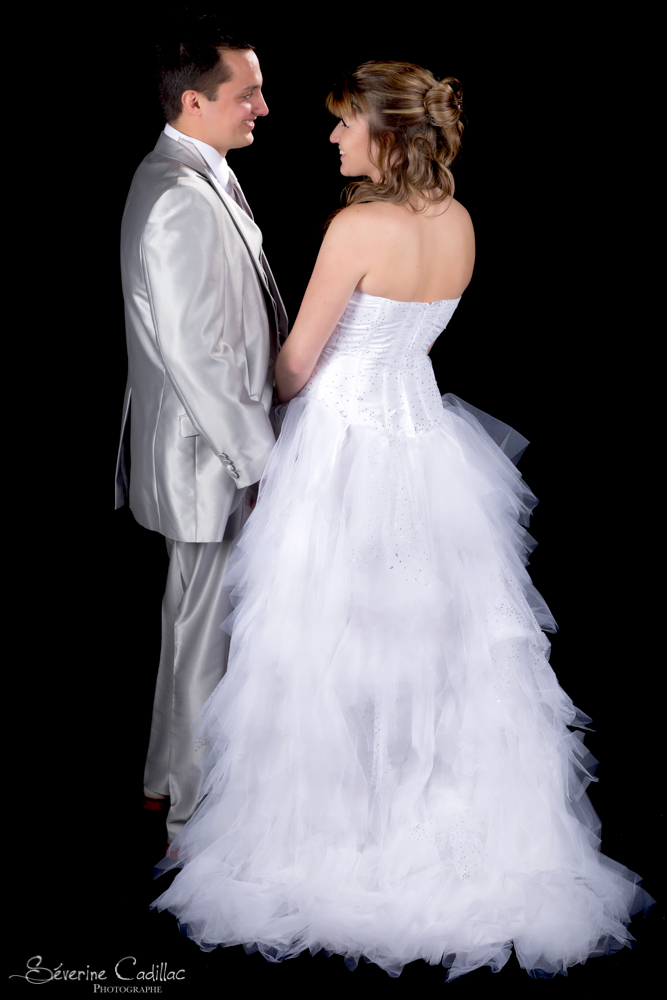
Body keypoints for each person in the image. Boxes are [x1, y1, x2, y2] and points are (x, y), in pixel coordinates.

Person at [151, 61, 648, 979]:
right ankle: (434, 828)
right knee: (431, 646)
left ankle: (335, 837)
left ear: (384, 134)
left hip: (343, 451)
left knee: (329, 643)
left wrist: (239, 378)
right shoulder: (457, 221)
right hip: (423, 447)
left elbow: (296, 367)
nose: (331, 136)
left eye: (344, 123)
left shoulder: (356, 227)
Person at [114, 16, 287, 846]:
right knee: (205, 638)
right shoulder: (179, 196)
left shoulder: (191, 171)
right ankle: (188, 817)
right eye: (246, 93)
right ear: (194, 101)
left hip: (205, 452)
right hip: (209, 459)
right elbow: (196, 355)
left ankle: (164, 783)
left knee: (192, 628)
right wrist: (264, 464)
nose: (262, 106)